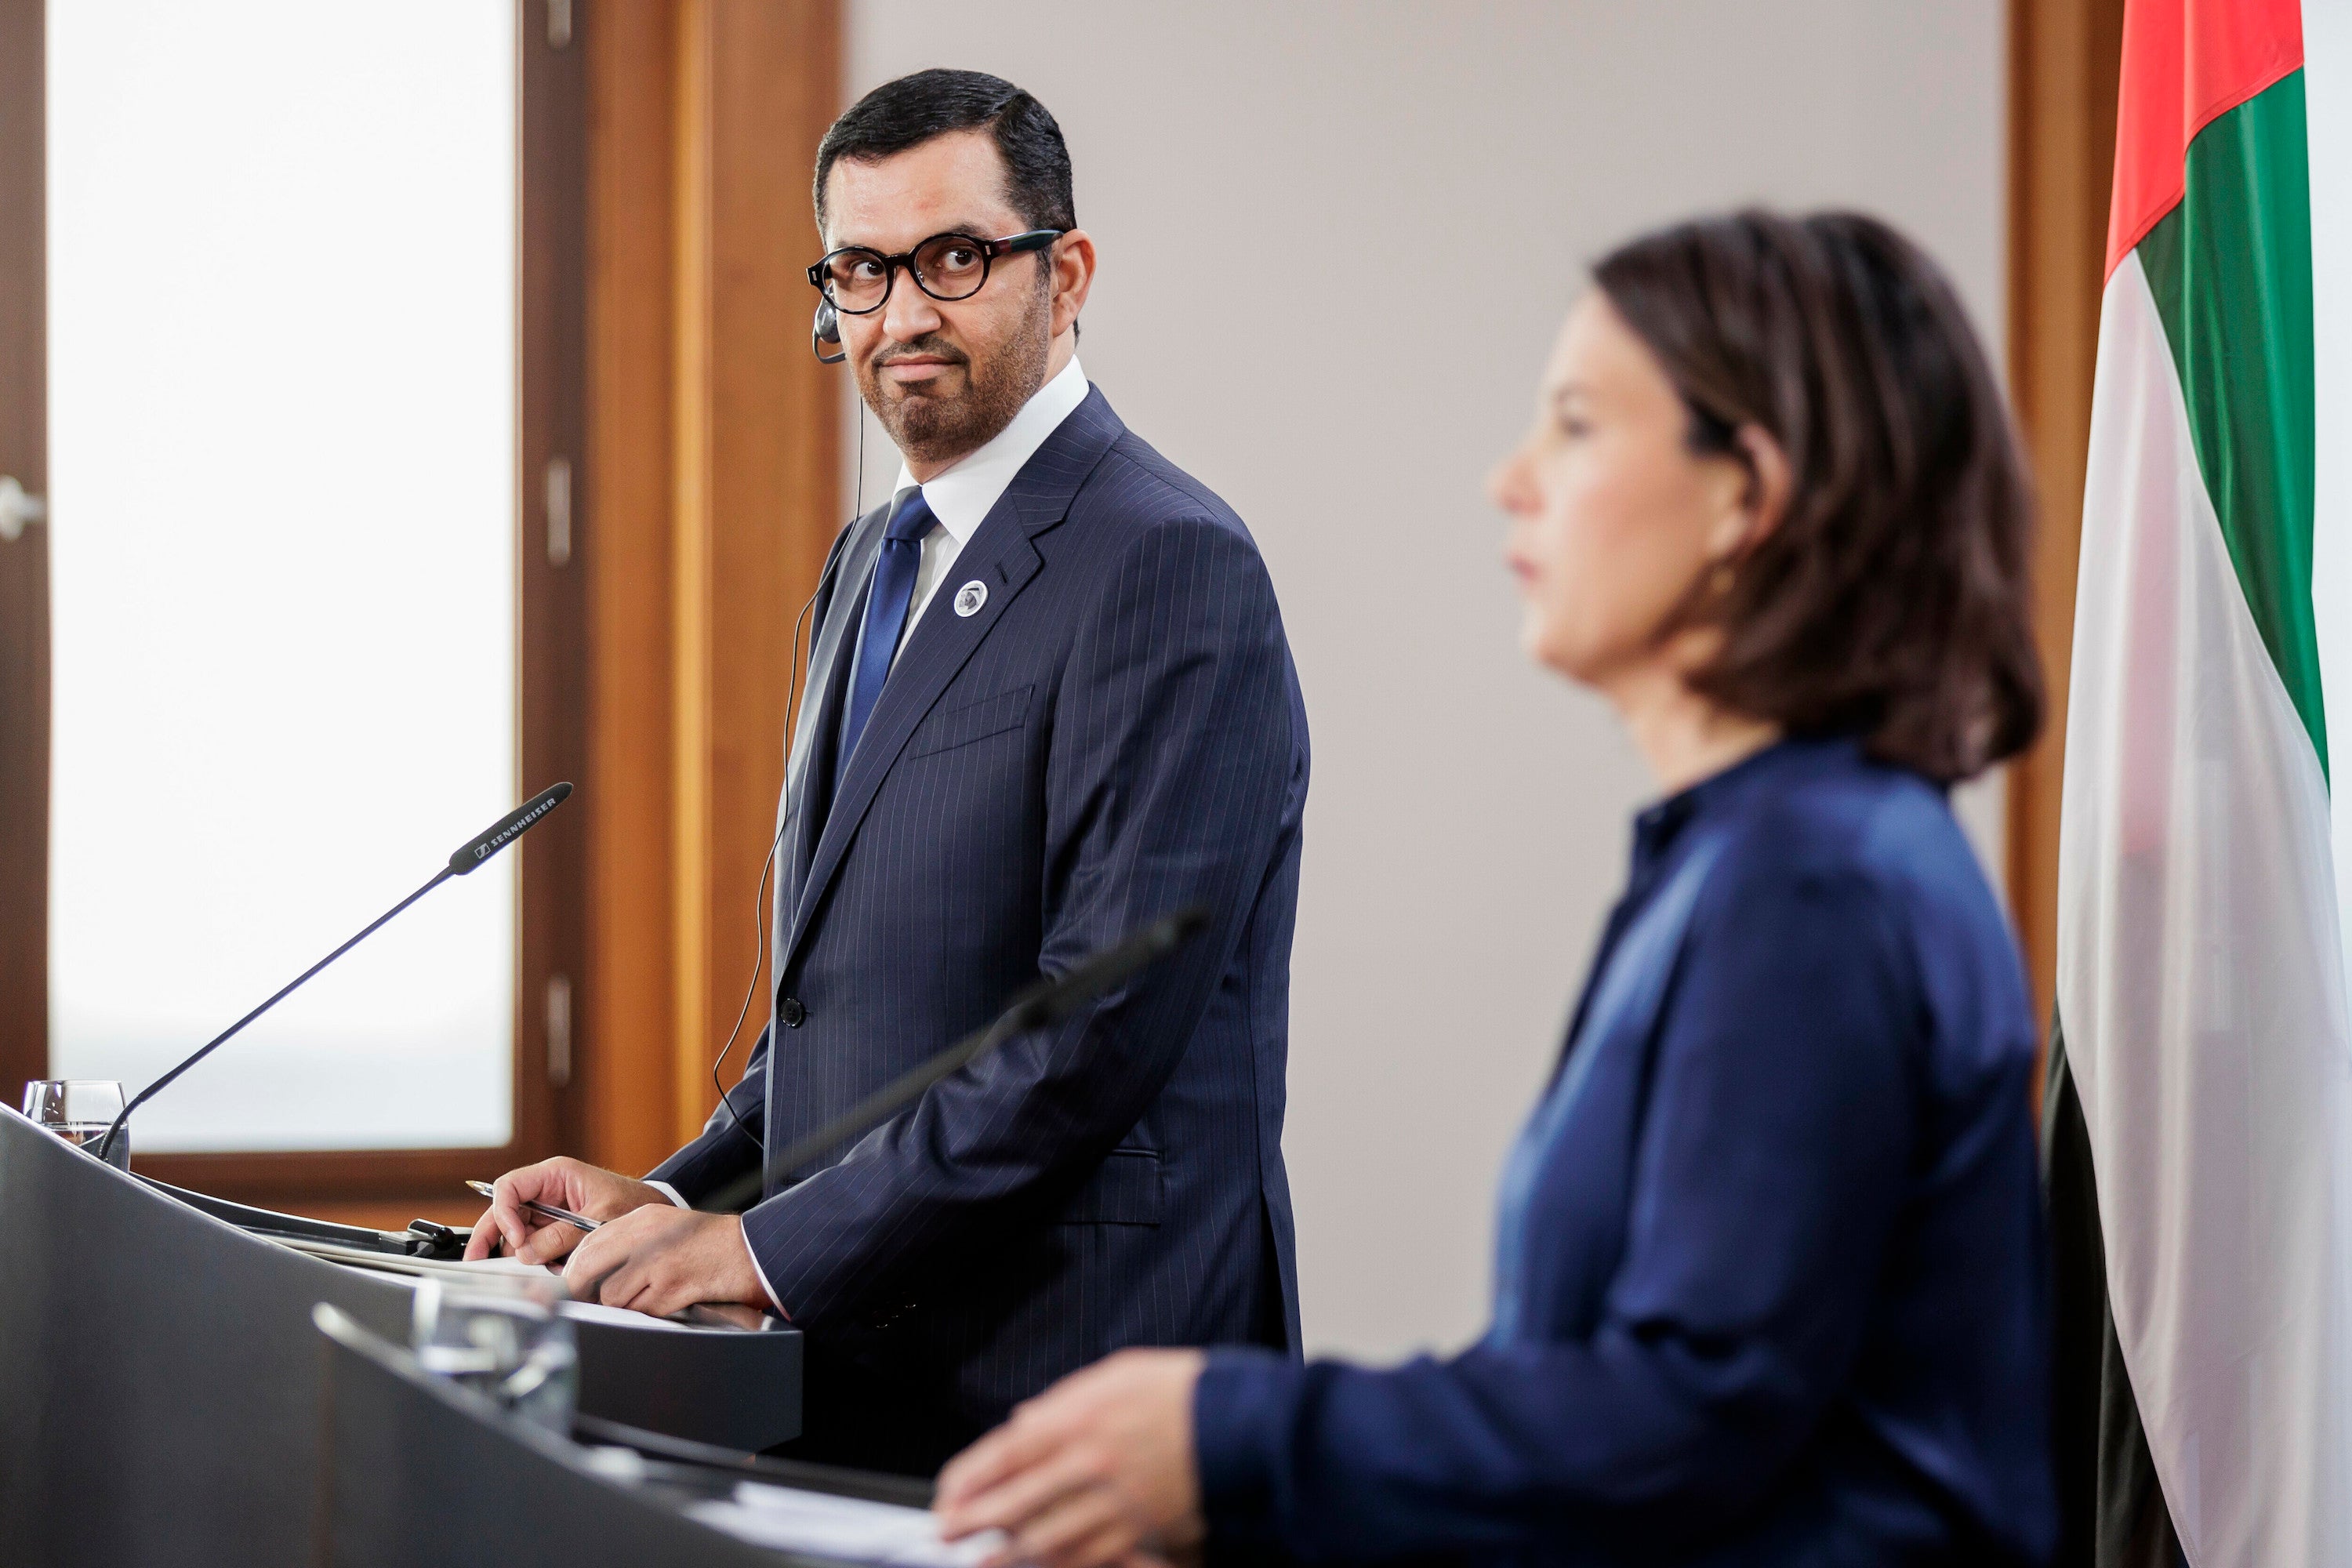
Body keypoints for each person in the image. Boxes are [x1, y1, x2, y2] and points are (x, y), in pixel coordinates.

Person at [932, 211, 2059, 1566]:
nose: (1510, 481)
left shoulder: (1810, 882)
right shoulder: (1762, 854)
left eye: (1576, 426)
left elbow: (1682, 1418)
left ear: (1744, 496)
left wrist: (1228, 1437)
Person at [466, 69, 1310, 1477]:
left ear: (1069, 273)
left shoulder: (1168, 561)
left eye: (955, 259)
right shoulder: (870, 564)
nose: (903, 315)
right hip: (864, 1375)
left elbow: (1085, 1039)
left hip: (1077, 1385)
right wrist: (667, 1201)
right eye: (862, 270)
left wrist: (755, 1250)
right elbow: (851, 1019)